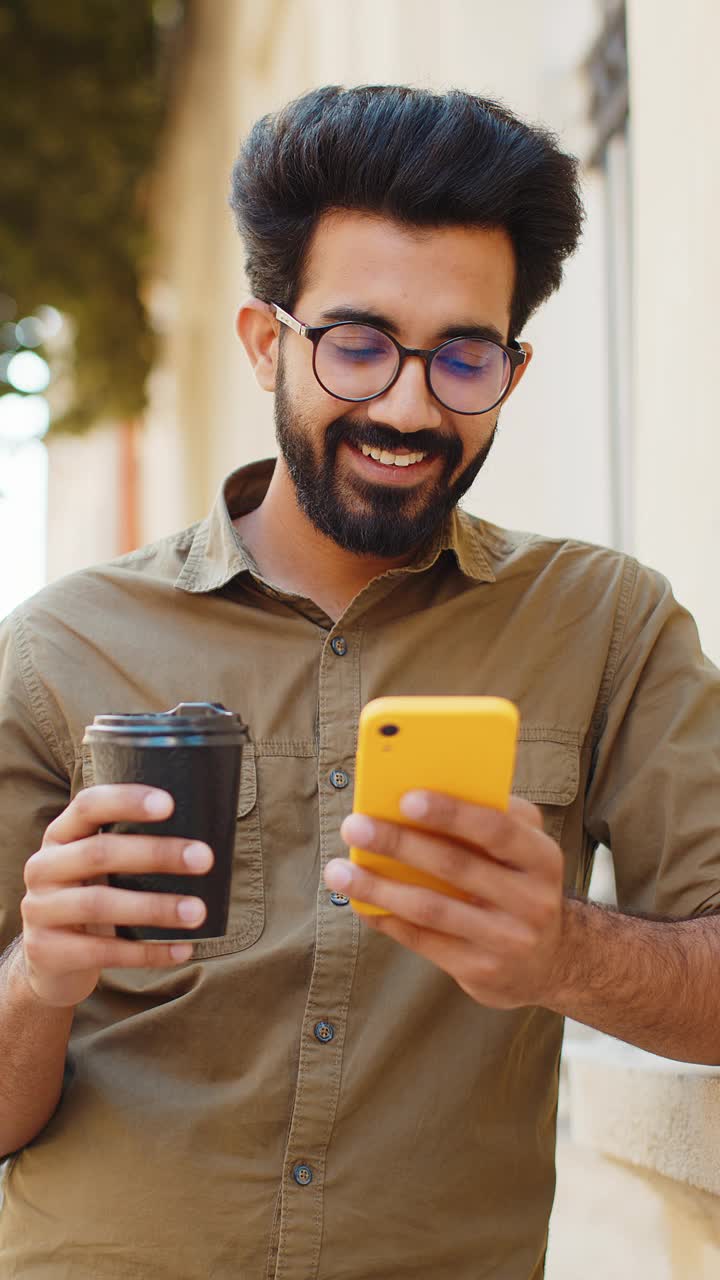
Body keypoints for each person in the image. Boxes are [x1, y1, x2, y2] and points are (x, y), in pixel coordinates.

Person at [0, 84, 718, 1280]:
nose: (407, 404)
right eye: (358, 343)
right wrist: (41, 971)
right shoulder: (60, 646)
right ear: (264, 338)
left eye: (463, 356)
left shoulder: (610, 625)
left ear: (515, 365)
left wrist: (562, 953)